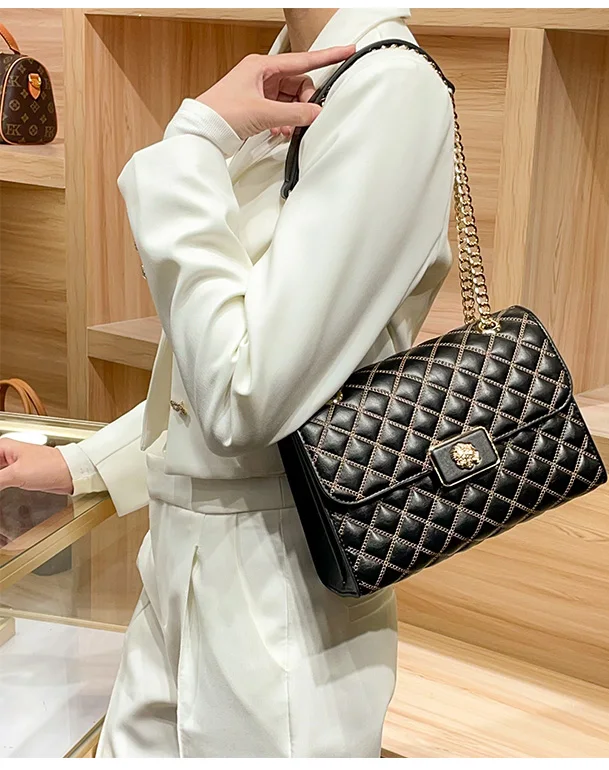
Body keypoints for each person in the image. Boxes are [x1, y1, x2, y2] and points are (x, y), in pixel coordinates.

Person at [0, 7, 454, 758]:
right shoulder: (303, 74)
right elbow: (217, 364)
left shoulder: (391, 91)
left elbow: (245, 392)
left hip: (278, 597)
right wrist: (82, 466)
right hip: (188, 570)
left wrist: (191, 145)